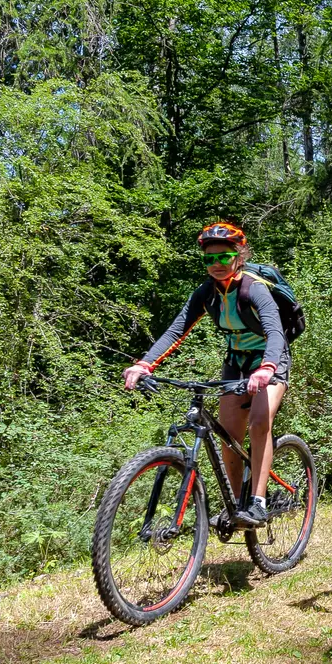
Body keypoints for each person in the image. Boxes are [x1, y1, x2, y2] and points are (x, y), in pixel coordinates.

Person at [122, 223, 289, 531]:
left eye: (223, 258)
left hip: (270, 359)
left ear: (239, 256)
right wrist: (144, 364)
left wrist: (267, 368)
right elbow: (176, 330)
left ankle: (258, 502)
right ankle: (237, 505)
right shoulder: (206, 293)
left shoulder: (254, 288)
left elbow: (275, 332)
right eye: (209, 259)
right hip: (236, 362)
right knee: (228, 435)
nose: (215, 264)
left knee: (259, 422)